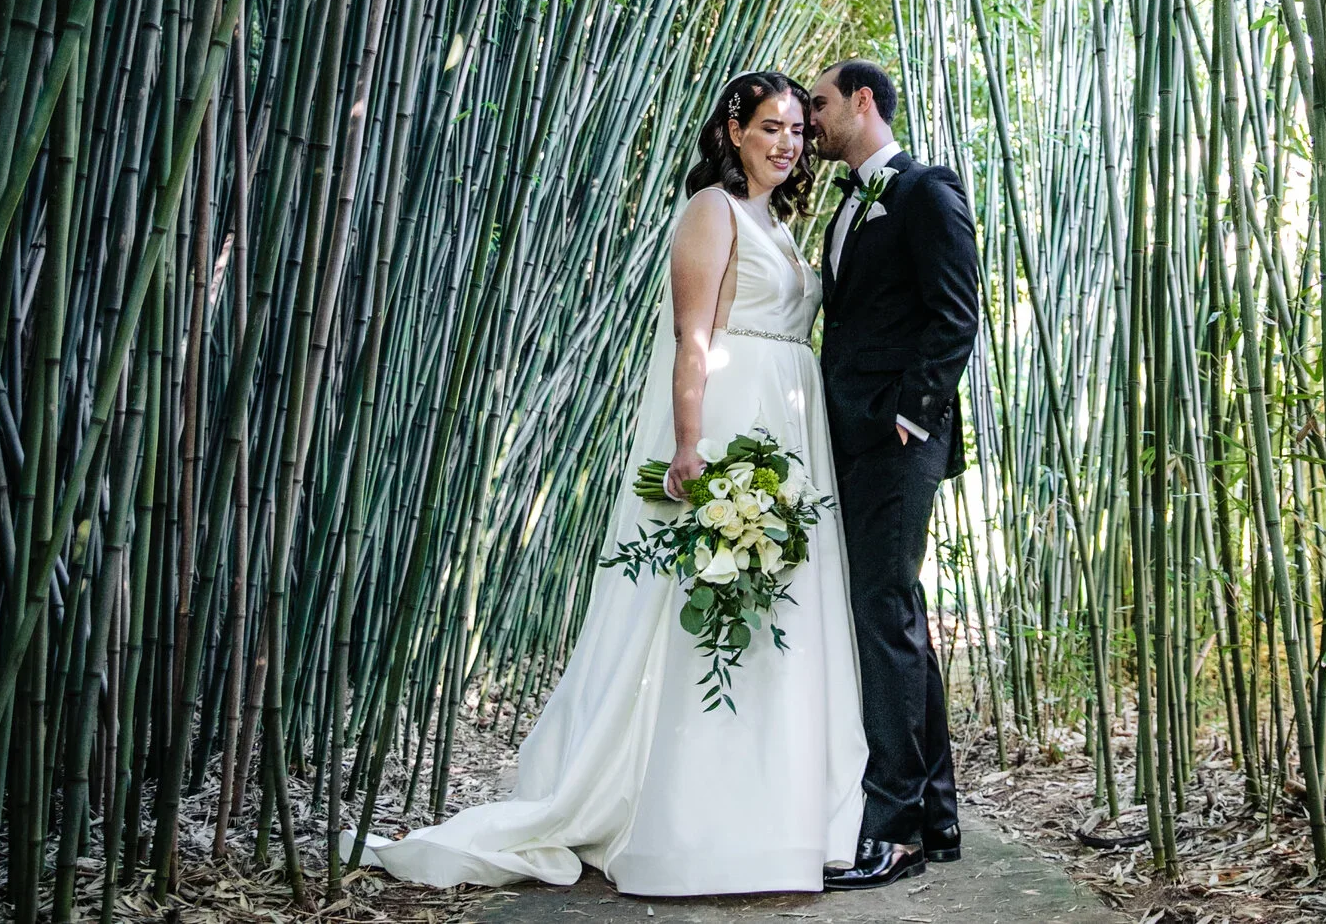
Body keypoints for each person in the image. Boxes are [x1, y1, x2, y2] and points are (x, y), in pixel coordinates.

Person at [373, 71, 865, 895]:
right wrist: (688, 445)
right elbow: (691, 336)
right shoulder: (711, 210)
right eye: (771, 127)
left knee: (777, 609)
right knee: (705, 609)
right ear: (733, 129)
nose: (787, 142)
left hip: (788, 425)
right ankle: (694, 818)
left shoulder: (777, 219)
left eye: (795, 130)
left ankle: (778, 815)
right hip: (730, 422)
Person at [806, 58, 978, 890]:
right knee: (893, 613)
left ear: (862, 101)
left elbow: (956, 312)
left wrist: (909, 414)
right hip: (853, 438)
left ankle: (896, 828)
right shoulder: (851, 199)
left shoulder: (923, 189)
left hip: (897, 441)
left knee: (883, 612)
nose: (809, 117)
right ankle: (935, 812)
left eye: (820, 101)